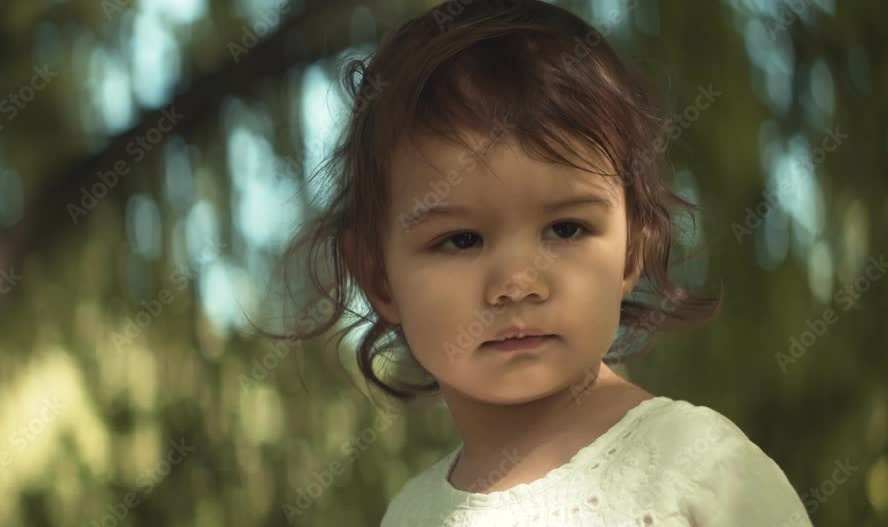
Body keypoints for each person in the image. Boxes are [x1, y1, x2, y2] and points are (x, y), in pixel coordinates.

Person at [264, 0, 812, 524]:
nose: (516, 285)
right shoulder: (409, 515)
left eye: (566, 229)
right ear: (379, 279)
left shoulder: (698, 469)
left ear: (630, 252)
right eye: (460, 240)